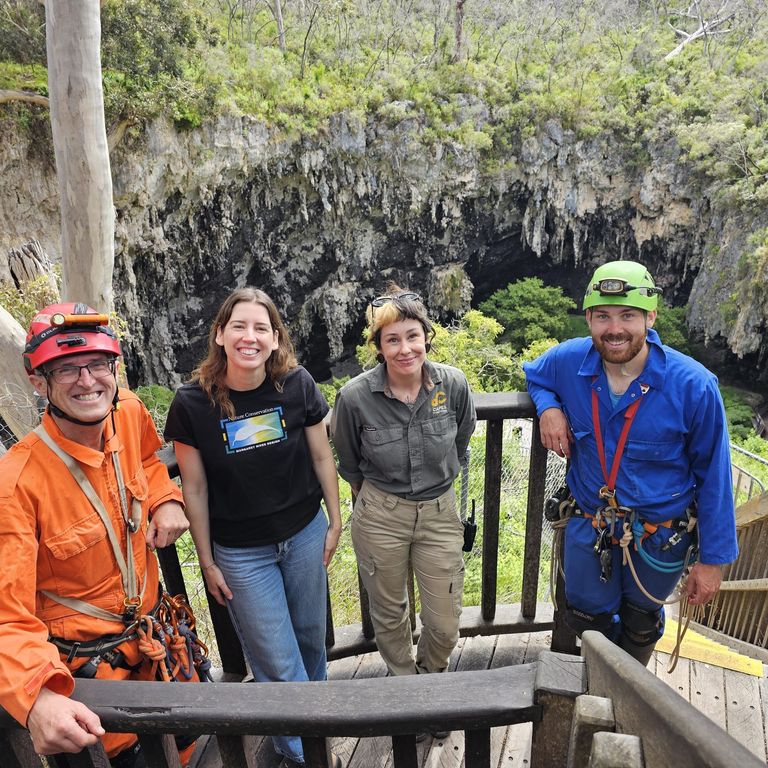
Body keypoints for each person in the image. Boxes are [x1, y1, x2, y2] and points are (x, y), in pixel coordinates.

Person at [0, 303, 191, 767]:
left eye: (98, 365)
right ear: (39, 382)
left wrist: (165, 497)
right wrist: (38, 697)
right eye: (66, 369)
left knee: (186, 753)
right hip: (91, 687)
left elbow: (149, 459)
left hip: (159, 653)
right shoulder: (18, 484)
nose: (87, 381)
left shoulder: (127, 411)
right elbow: (7, 616)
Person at [524, 260, 739, 665]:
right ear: (588, 318)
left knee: (642, 622)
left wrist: (712, 562)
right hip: (591, 526)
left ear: (650, 317)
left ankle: (631, 693)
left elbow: (715, 477)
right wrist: (548, 406)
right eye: (602, 316)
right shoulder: (570, 362)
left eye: (628, 315)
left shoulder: (693, 385)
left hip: (659, 535)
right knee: (587, 617)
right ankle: (599, 685)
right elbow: (536, 376)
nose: (614, 328)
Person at [164, 287, 343, 768]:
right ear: (219, 334)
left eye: (261, 327)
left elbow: (322, 455)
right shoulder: (192, 404)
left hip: (304, 532)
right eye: (238, 326)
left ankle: (316, 732)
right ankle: (303, 754)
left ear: (275, 337)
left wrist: (336, 519)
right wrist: (207, 561)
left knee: (310, 642)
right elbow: (194, 489)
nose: (250, 336)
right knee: (277, 661)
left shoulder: (297, 384)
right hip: (242, 552)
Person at [331, 287, 476, 692]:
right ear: (378, 346)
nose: (405, 348)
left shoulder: (454, 384)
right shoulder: (355, 397)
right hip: (381, 514)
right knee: (390, 614)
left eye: (412, 335)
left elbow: (461, 438)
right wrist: (377, 503)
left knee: (445, 623)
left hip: (440, 513)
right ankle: (407, 691)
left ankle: (429, 683)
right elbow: (349, 461)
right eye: (391, 339)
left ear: (426, 335)